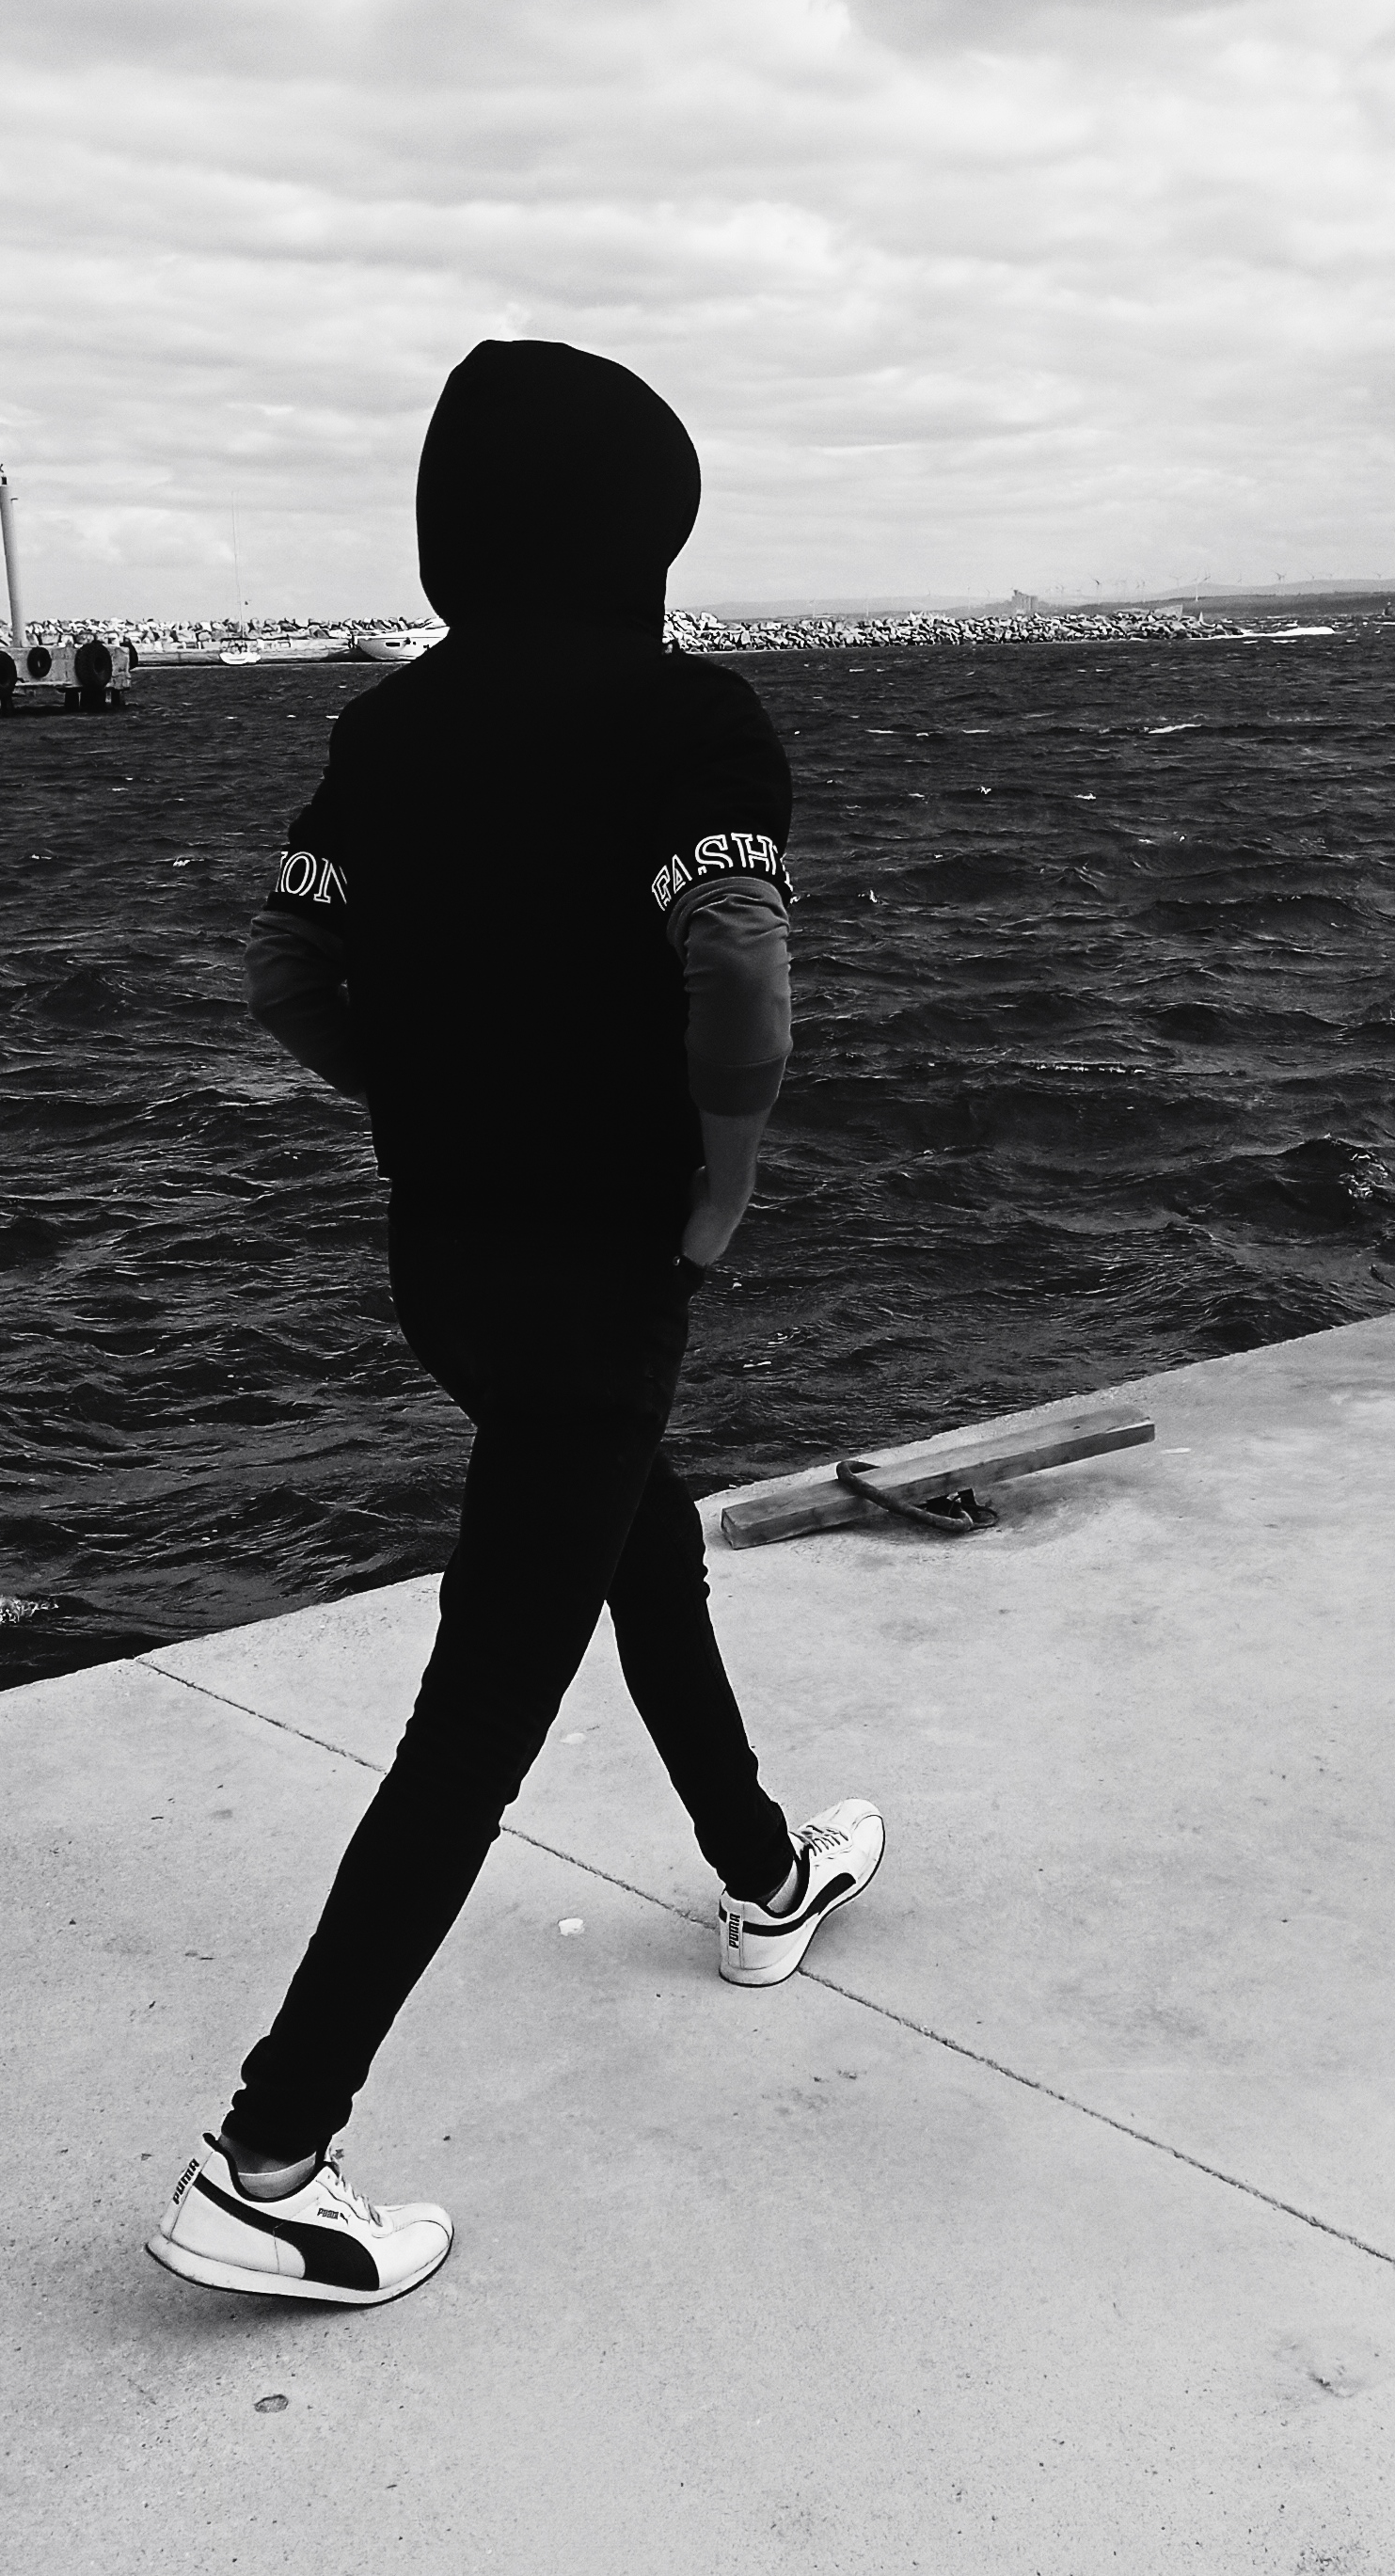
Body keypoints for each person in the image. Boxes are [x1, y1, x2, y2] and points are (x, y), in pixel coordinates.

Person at [147, 340, 884, 2309]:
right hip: (601, 1268)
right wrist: (719, 1184)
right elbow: (737, 957)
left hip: (446, 1262)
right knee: (478, 1717)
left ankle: (759, 1869)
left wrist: (425, 1099)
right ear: (647, 523)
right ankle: (267, 2155)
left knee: (642, 1534)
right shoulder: (689, 714)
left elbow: (283, 968)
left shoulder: (383, 730)